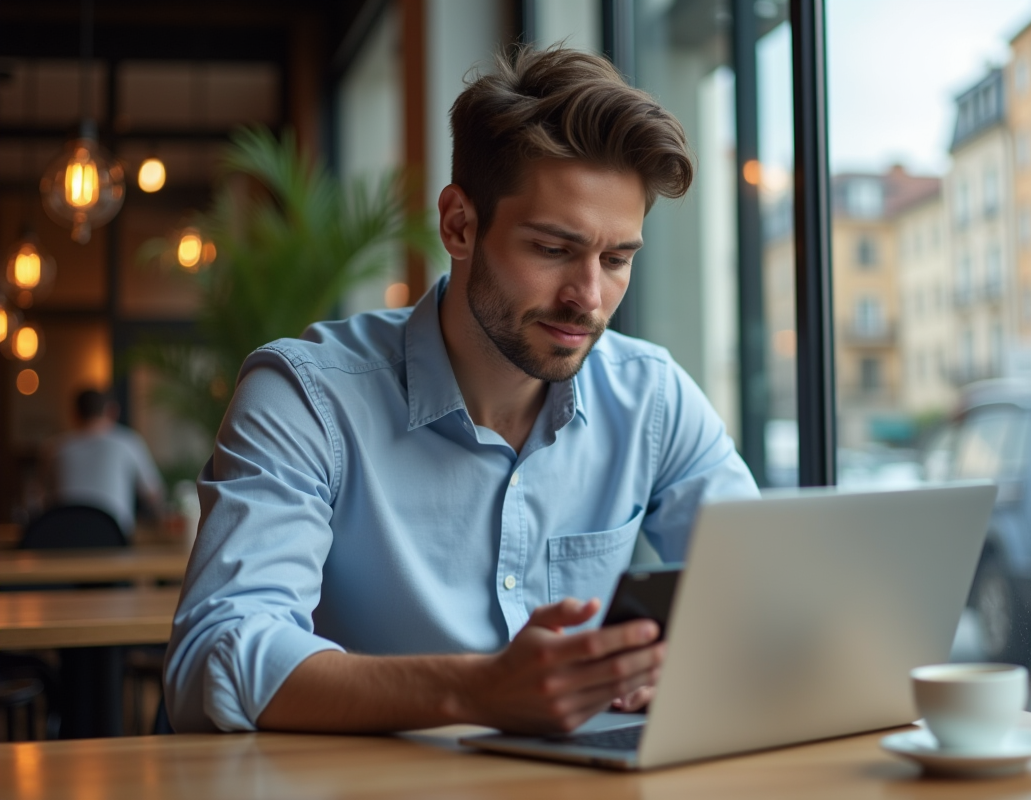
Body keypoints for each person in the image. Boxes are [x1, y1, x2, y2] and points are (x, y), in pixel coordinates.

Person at [165, 46, 758, 735]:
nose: (588, 298)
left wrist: (675, 662)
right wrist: (477, 691)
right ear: (459, 225)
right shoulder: (304, 397)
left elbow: (761, 595)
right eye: (552, 249)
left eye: (617, 259)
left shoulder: (652, 398)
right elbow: (216, 657)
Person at [47, 388, 164, 536]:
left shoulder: (55, 448)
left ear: (74, 414)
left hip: (63, 539)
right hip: (115, 541)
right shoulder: (128, 442)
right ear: (112, 411)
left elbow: (44, 499)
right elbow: (153, 494)